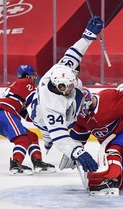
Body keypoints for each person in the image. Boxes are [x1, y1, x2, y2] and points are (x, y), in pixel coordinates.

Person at [29, 16, 104, 173]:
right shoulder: (51, 105)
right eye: (69, 86)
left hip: (62, 106)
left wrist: (89, 34)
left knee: (84, 95)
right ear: (60, 87)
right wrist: (78, 152)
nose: (73, 86)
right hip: (41, 118)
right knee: (49, 136)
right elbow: (60, 137)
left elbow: (75, 53)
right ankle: (46, 144)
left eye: (72, 82)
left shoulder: (61, 71)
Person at [0, 64, 56, 175]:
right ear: (27, 76)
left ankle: (37, 162)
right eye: (33, 75)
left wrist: (38, 120)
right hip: (5, 112)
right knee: (22, 140)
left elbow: (24, 113)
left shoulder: (17, 87)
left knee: (31, 137)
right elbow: (35, 100)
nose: (34, 78)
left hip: (1, 115)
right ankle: (15, 165)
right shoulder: (26, 82)